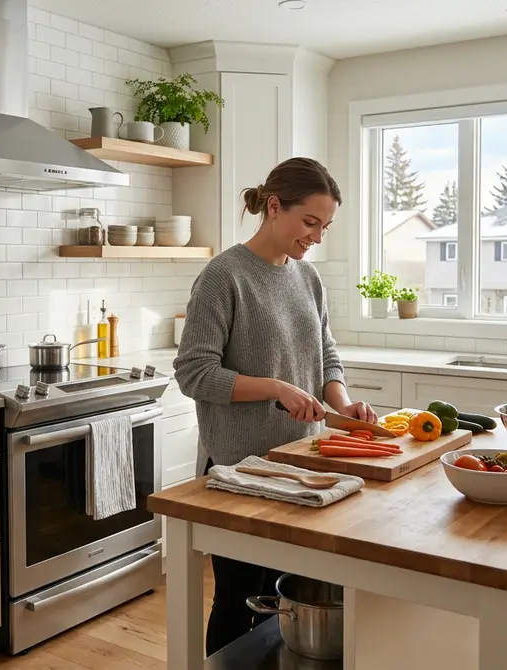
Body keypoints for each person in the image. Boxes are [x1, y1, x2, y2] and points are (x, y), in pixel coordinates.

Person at [173, 156, 377, 656]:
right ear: (272, 206)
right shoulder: (224, 275)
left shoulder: (307, 279)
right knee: (238, 603)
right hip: (241, 472)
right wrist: (275, 387)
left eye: (325, 226)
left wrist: (343, 405)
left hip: (300, 468)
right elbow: (193, 372)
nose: (317, 236)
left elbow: (326, 353)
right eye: (310, 222)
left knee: (290, 596)